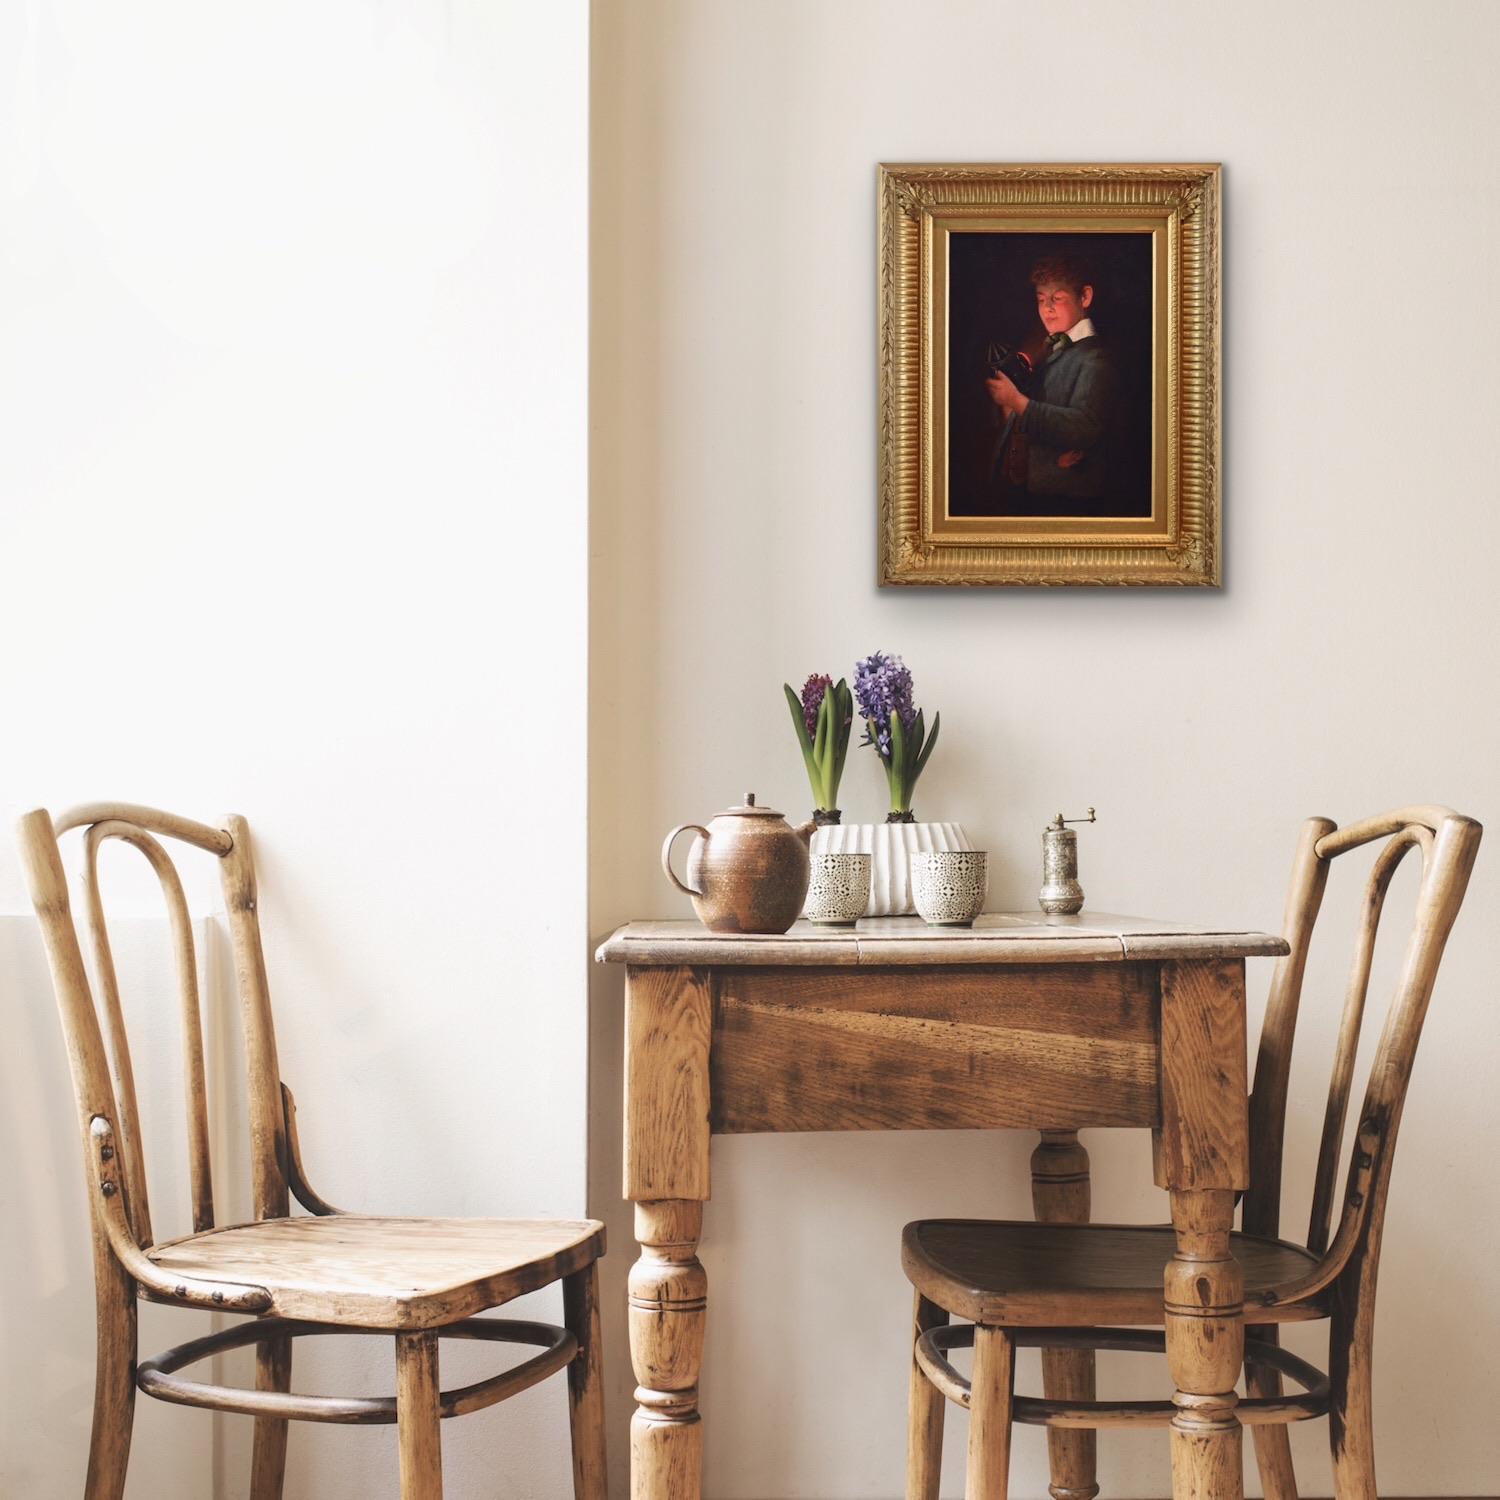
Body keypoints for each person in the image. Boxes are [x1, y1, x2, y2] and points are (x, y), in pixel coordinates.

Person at [984, 254, 1119, 514]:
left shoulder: (1096, 359)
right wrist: (1009, 407)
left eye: (1057, 298)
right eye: (1041, 300)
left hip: (1070, 500)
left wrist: (1017, 401)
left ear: (1086, 297)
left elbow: (1085, 427)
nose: (1047, 308)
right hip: (1033, 491)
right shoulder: (1051, 350)